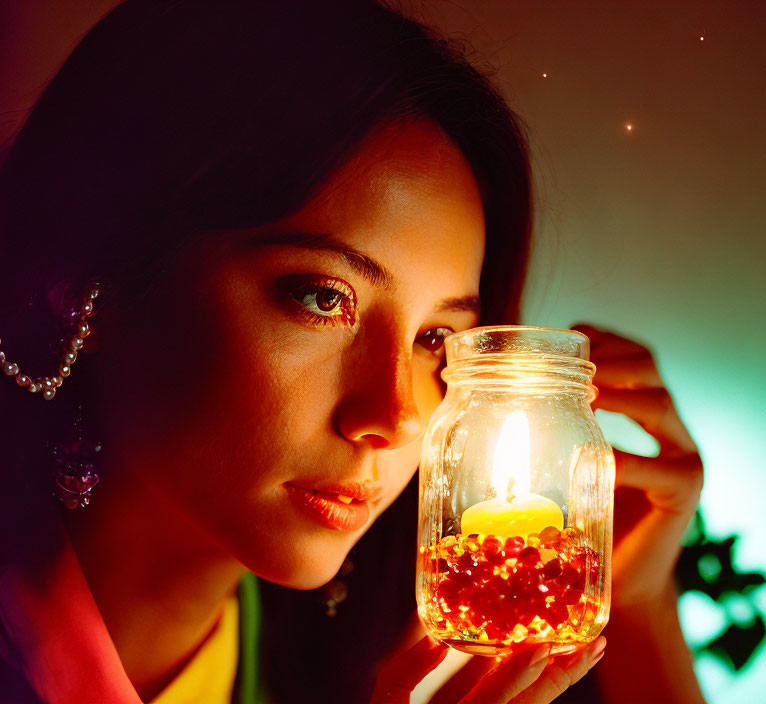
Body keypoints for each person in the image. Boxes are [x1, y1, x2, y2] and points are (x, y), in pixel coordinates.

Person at [0, 1, 706, 702]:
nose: (395, 416)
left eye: (437, 339)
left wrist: (641, 604)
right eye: (322, 298)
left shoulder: (367, 660)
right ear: (84, 273)